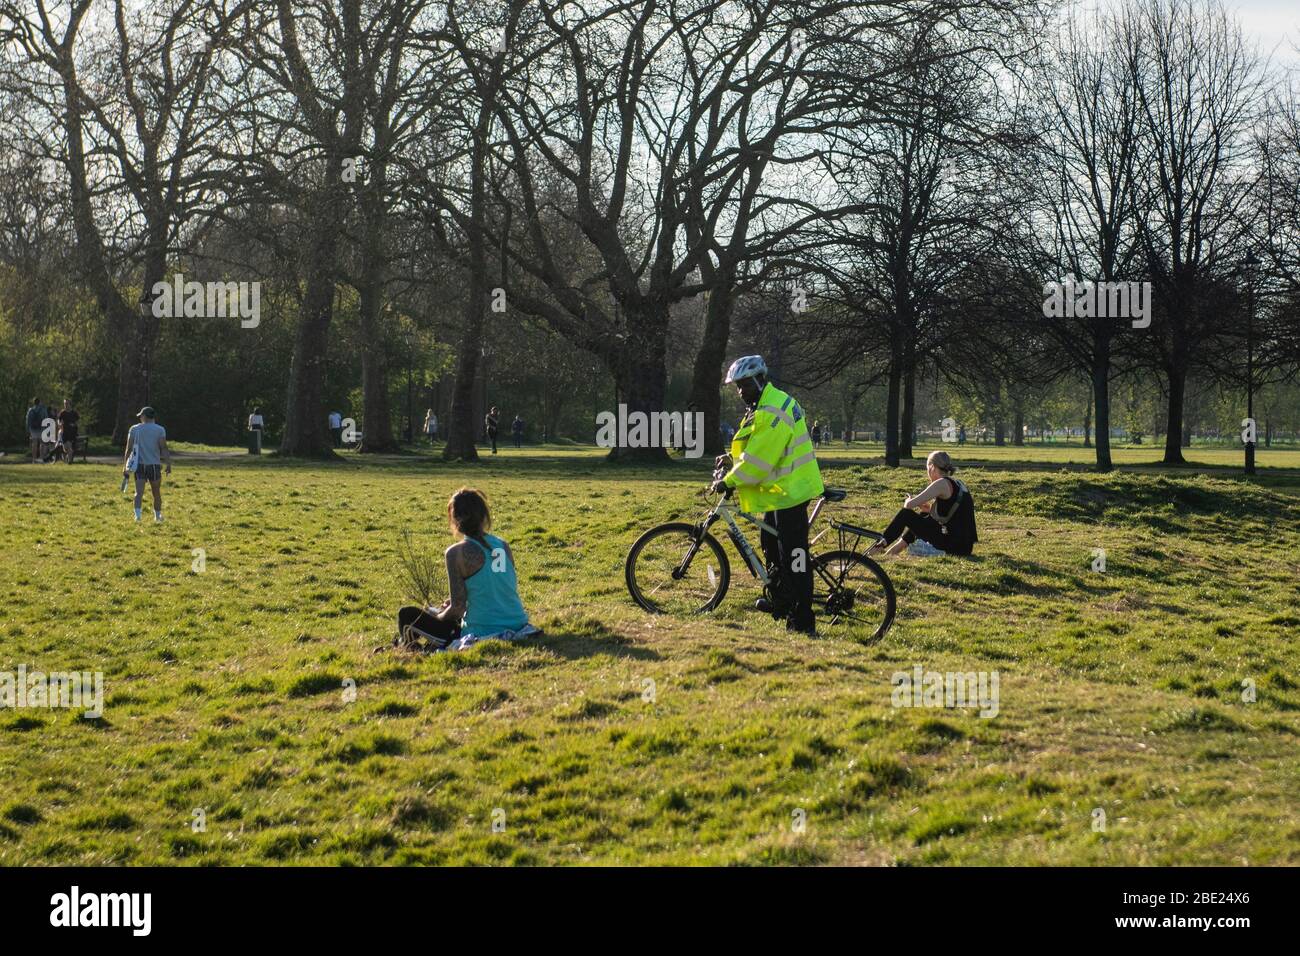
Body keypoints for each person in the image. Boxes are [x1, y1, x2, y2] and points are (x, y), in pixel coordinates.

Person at [712, 355, 823, 636]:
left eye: (745, 385)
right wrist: (731, 459)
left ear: (761, 380)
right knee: (770, 544)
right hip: (781, 491)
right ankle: (783, 601)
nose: (741, 392)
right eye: (737, 386)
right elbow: (758, 447)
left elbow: (760, 460)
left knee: (795, 558)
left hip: (793, 492)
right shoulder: (765, 404)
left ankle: (803, 622)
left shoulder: (772, 409)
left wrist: (730, 481)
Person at [396, 488, 539, 651]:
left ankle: (408, 649)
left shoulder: (456, 553)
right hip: (517, 622)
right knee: (445, 614)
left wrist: (437, 615)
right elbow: (495, 586)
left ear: (455, 519)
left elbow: (458, 609)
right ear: (484, 515)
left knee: (407, 615)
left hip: (482, 630)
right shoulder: (503, 545)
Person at [870, 450, 977, 557]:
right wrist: (930, 510)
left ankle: (877, 548)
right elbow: (955, 516)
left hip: (954, 546)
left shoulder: (941, 483)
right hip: (965, 546)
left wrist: (908, 500)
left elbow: (909, 505)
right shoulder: (957, 483)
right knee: (923, 516)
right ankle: (892, 553)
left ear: (932, 467)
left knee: (906, 514)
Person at [123, 406, 172, 523]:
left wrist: (124, 465)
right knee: (156, 492)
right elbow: (163, 448)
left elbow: (128, 449)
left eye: (140, 416)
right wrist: (168, 464)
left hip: (139, 465)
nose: (140, 418)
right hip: (154, 465)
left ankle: (138, 516)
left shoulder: (134, 429)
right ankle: (157, 516)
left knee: (138, 492)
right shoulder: (160, 430)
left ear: (144, 416)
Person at [56, 400, 79, 465]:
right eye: (64, 404)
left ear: (70, 404)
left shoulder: (74, 413)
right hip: (64, 432)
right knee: (65, 448)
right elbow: (59, 420)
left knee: (69, 446)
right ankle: (68, 457)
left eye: (67, 403)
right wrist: (59, 424)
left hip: (72, 432)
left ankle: (69, 462)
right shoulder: (62, 413)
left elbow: (77, 421)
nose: (65, 405)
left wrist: (74, 425)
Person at [25, 397, 46, 463]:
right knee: (42, 443)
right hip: (41, 428)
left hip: (33, 428)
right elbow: (46, 418)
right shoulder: (43, 409)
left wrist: (28, 429)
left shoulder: (30, 410)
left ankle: (34, 459)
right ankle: (41, 458)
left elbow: (28, 420)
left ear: (34, 403)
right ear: (39, 402)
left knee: (34, 443)